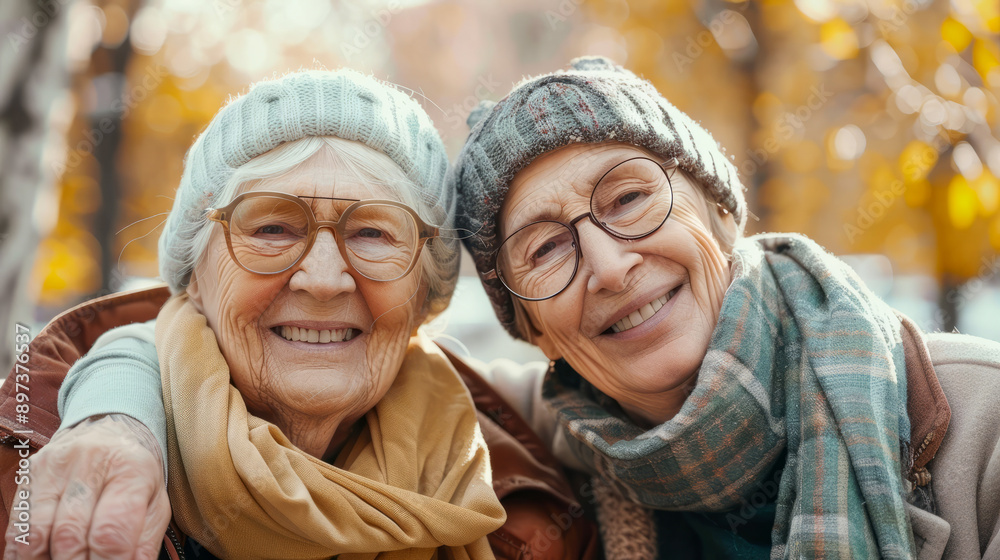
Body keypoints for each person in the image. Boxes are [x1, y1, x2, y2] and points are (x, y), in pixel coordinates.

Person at [0, 69, 595, 559]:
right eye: (273, 227)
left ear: (423, 297)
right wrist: (117, 413)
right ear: (195, 283)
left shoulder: (533, 483)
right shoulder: (35, 483)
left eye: (371, 233)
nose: (324, 279)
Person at [448, 56, 1000, 559]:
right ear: (532, 329)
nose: (610, 267)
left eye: (629, 197)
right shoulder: (537, 450)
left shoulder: (986, 425)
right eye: (544, 249)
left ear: (719, 212)